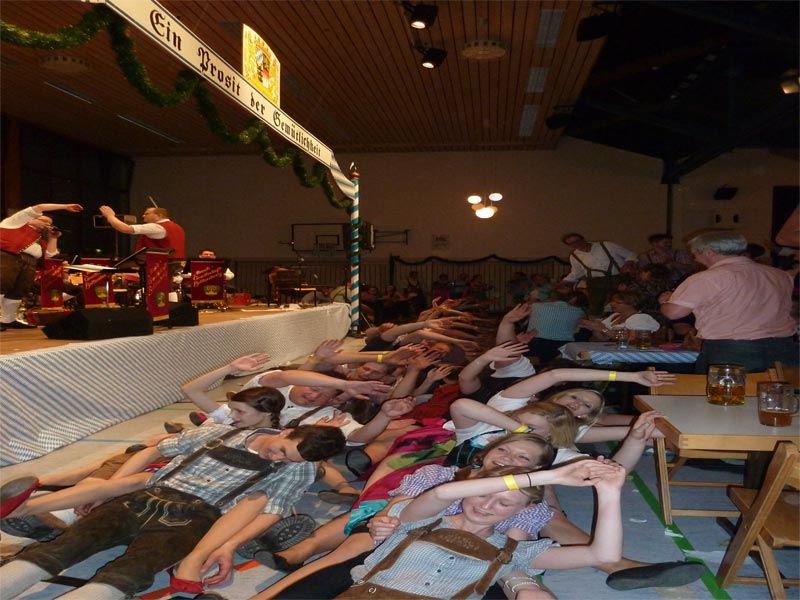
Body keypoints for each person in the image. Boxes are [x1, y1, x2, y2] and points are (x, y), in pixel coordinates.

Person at [0, 424, 346, 600]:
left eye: (288, 459)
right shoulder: (222, 432)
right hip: (143, 496)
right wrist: (111, 487)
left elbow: (270, 510)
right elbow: (155, 450)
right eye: (281, 450)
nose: (278, 459)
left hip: (197, 518)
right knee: (65, 546)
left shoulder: (298, 468)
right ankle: (30, 514)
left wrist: (226, 546)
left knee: (132, 572)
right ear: (285, 431)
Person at [659, 230, 798, 373]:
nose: (695, 259)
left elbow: (673, 313)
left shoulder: (708, 278)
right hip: (785, 348)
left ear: (708, 252)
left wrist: (666, 301)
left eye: (695, 254)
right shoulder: (780, 275)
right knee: (782, 387)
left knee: (719, 388)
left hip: (732, 350)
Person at [0, 203, 83, 330]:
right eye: (44, 221)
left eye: (49, 223)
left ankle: (7, 320)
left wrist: (53, 238)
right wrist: (65, 207)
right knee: (2, 284)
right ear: (31, 218)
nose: (47, 224)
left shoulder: (40, 239)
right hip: (7, 256)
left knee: (19, 291)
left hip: (30, 262)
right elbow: (40, 207)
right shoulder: (15, 222)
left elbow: (50, 256)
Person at [558, 233, 637, 317]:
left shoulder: (607, 245)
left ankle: (628, 320)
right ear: (569, 245)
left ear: (583, 239)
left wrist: (628, 263)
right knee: (595, 309)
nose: (577, 244)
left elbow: (631, 255)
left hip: (617, 279)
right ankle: (597, 323)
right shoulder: (574, 256)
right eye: (572, 243)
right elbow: (576, 272)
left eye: (577, 240)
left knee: (623, 303)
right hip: (595, 283)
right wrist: (563, 282)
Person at [99, 205, 186, 259]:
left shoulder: (156, 227)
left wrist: (110, 216)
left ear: (159, 215)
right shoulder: (177, 227)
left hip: (157, 267)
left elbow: (125, 229)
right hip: (173, 265)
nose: (143, 216)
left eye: (147, 214)